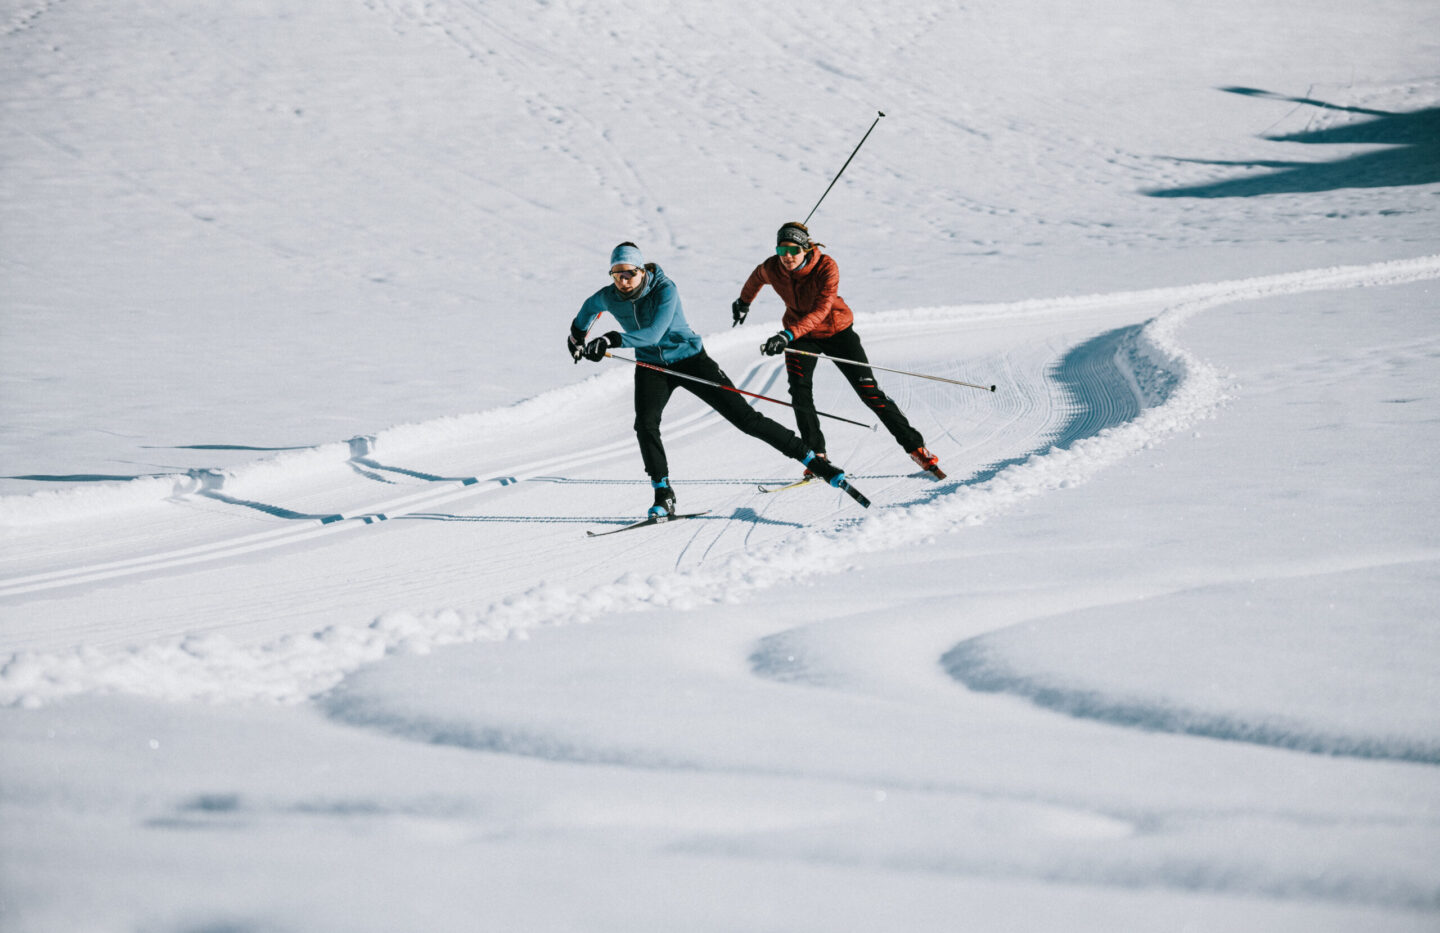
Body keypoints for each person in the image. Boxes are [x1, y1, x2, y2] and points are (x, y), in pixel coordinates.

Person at [568, 242, 853, 519]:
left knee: (745, 419)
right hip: (651, 366)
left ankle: (813, 461)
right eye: (617, 275)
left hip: (691, 360)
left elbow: (653, 334)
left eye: (630, 273)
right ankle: (663, 494)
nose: (624, 280)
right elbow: (586, 311)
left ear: (642, 270)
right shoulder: (609, 296)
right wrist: (576, 339)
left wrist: (610, 339)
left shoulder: (665, 289)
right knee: (645, 424)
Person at [731, 221, 944, 479]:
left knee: (870, 393)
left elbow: (821, 311)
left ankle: (916, 448)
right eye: (781, 250)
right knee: (800, 393)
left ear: (806, 248)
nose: (786, 257)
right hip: (801, 336)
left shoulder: (826, 267)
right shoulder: (772, 267)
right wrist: (743, 303)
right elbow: (756, 278)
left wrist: (786, 335)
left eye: (793, 251)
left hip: (836, 332)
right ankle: (816, 456)